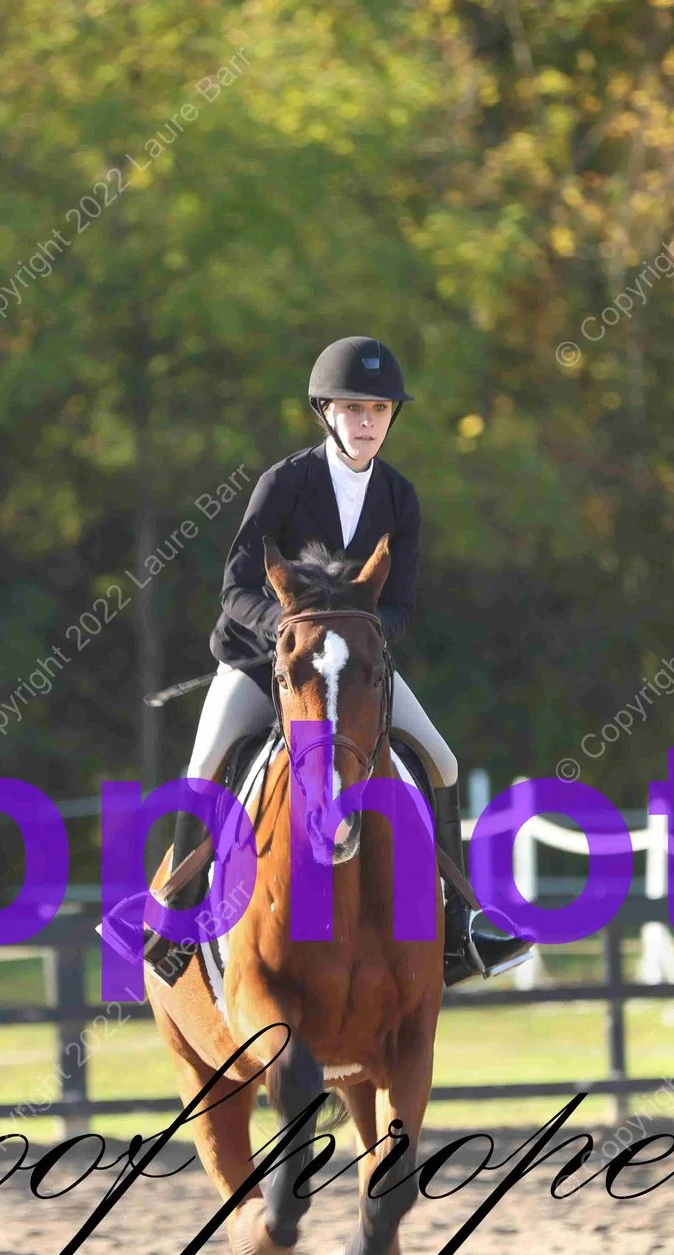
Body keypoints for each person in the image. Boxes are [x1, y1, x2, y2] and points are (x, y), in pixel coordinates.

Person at [144, 335, 533, 987]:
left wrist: (357, 637)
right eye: (353, 408)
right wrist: (292, 631)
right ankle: (178, 915)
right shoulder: (285, 483)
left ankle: (460, 925)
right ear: (325, 411)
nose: (367, 422)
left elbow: (400, 603)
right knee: (206, 757)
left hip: (353, 672)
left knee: (441, 759)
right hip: (266, 662)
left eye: (379, 410)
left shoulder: (399, 497)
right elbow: (235, 588)